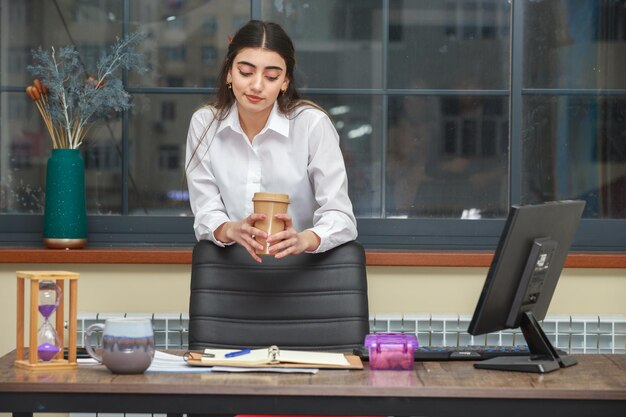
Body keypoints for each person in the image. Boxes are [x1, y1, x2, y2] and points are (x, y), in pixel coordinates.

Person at [185, 20, 357, 263]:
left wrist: (303, 239)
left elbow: (341, 217)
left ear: (285, 81)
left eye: (271, 76)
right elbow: (205, 212)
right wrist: (231, 229)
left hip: (302, 270)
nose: (257, 85)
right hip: (230, 268)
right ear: (229, 72)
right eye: (245, 72)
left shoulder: (312, 125)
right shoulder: (204, 124)